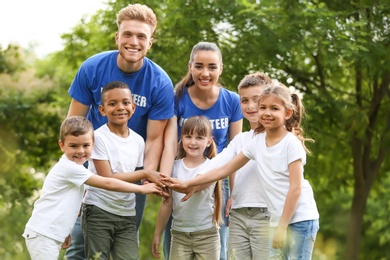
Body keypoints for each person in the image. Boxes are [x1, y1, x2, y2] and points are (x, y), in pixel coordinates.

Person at [65, 3, 174, 259]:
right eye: (127, 34)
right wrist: (73, 171)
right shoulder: (92, 68)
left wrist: (146, 174)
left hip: (133, 168)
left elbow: (155, 138)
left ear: (150, 43)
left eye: (141, 36)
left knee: (125, 241)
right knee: (80, 244)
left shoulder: (160, 82)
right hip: (91, 162)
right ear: (117, 37)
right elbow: (72, 124)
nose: (133, 41)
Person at [164, 82, 320, 259]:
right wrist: (190, 182)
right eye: (263, 107)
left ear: (288, 113)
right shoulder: (255, 142)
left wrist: (282, 227)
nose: (266, 112)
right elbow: (224, 168)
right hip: (279, 220)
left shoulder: (291, 143)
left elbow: (296, 188)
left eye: (274, 108)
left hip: (299, 217)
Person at [22, 116, 163, 260]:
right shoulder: (70, 169)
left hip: (49, 233)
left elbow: (65, 205)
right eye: (73, 146)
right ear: (62, 145)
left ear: (93, 144)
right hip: (43, 233)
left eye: (85, 145)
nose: (80, 151)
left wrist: (64, 231)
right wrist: (141, 189)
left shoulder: (75, 169)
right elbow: (108, 183)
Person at [162, 41, 243, 260]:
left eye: (212, 67)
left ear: (221, 69)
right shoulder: (177, 98)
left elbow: (236, 152)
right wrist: (165, 179)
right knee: (175, 245)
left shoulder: (232, 101)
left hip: (218, 180)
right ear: (190, 67)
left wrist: (233, 194)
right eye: (199, 66)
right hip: (180, 176)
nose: (205, 73)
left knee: (218, 247)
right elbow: (170, 143)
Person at [81, 81, 147, 259]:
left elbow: (136, 174)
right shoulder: (98, 138)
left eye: (125, 103)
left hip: (127, 213)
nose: (120, 108)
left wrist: (155, 183)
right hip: (99, 211)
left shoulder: (139, 141)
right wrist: (145, 174)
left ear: (133, 107)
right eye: (112, 103)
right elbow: (108, 178)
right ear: (102, 110)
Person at [152, 116, 222, 259]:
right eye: (188, 136)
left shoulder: (212, 166)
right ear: (181, 138)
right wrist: (157, 234)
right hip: (179, 235)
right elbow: (167, 204)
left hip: (207, 235)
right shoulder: (174, 166)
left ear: (209, 141)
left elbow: (195, 185)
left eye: (199, 137)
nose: (193, 142)